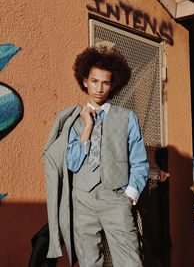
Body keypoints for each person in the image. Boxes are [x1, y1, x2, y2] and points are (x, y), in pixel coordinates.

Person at [43, 45, 149, 267]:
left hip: (116, 197)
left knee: (130, 262)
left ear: (113, 85)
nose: (99, 88)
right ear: (85, 81)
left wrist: (128, 197)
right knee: (89, 263)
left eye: (106, 82)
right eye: (94, 81)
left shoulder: (127, 118)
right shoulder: (74, 122)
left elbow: (139, 162)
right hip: (82, 200)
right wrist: (86, 129)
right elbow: (72, 164)